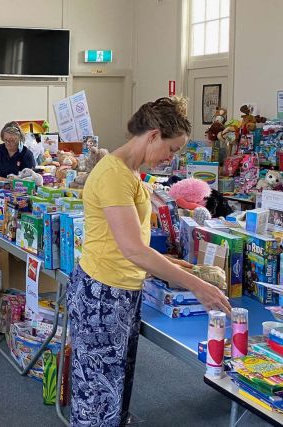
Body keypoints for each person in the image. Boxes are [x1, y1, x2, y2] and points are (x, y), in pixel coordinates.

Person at [66, 96, 231, 427]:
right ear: (154, 135)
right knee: (98, 396)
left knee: (114, 386)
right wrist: (197, 286)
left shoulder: (129, 172)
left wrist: (172, 264)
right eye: (171, 149)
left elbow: (131, 243)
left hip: (121, 290)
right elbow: (133, 249)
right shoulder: (114, 175)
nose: (171, 158)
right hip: (103, 294)